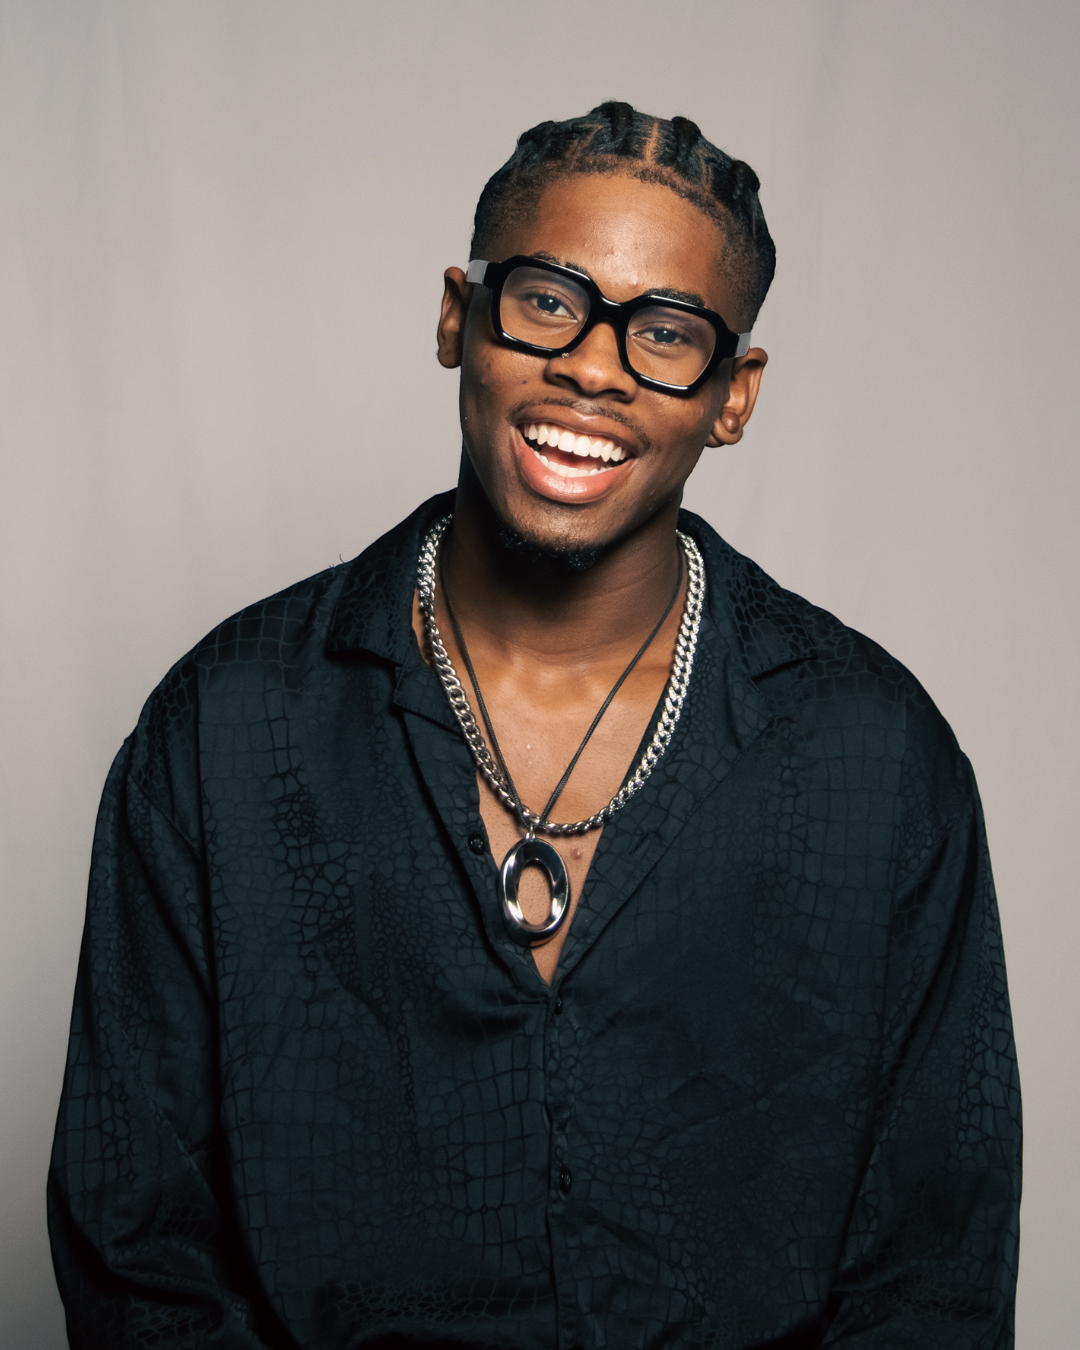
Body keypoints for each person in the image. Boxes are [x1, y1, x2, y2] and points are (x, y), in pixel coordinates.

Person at [49, 102, 1021, 1349]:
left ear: (733, 394)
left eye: (667, 333)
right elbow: (136, 1250)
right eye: (551, 302)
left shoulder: (877, 757)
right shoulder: (227, 727)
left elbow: (935, 1275)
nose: (596, 367)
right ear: (460, 315)